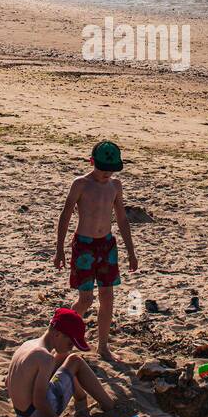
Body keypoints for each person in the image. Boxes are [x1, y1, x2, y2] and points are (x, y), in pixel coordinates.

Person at [54, 141, 136, 361]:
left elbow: (121, 219)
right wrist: (59, 249)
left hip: (107, 245)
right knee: (86, 299)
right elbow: (65, 216)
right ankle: (65, 337)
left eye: (110, 170)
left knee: (107, 297)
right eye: (102, 169)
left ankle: (102, 345)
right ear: (92, 162)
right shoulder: (80, 184)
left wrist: (131, 251)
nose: (106, 174)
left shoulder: (115, 185)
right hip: (84, 246)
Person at [5, 308, 115, 417]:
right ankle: (108, 405)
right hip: (35, 414)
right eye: (70, 343)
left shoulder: (28, 345)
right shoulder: (45, 358)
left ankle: (81, 403)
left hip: (21, 412)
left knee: (63, 358)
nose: (71, 347)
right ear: (57, 334)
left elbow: (8, 382)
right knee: (75, 360)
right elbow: (39, 401)